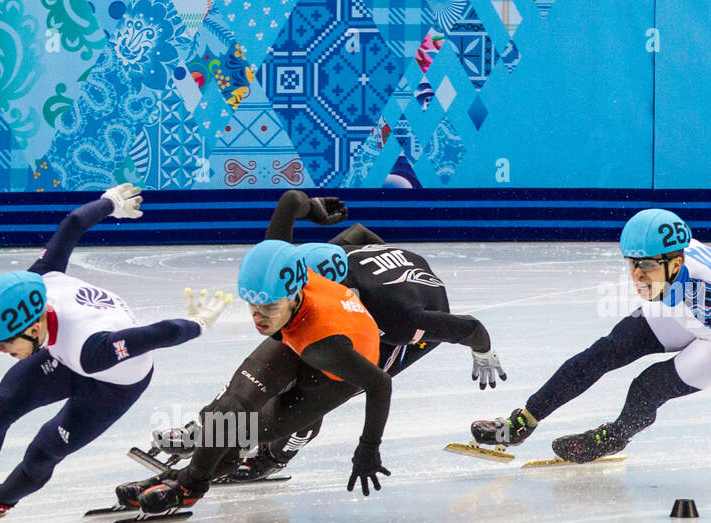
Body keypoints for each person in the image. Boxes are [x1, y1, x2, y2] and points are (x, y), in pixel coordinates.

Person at [0, 185, 229, 523]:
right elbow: (72, 224)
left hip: (112, 381)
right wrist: (110, 203)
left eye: (4, 343)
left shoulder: (92, 349)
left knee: (45, 448)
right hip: (65, 353)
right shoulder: (40, 279)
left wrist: (197, 324)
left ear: (33, 325)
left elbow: (159, 333)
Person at [151, 189, 506, 481]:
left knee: (333, 381)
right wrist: (316, 211)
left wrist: (483, 352)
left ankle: (280, 451)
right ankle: (214, 425)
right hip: (373, 276)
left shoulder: (397, 319)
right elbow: (356, 232)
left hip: (400, 327)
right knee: (290, 346)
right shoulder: (320, 261)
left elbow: (467, 327)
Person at [470, 208, 711, 462]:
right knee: (606, 351)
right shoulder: (666, 262)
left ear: (676, 262)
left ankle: (615, 436)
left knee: (648, 386)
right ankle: (523, 422)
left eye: (646, 267)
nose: (637, 276)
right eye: (632, 265)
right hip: (682, 301)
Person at [123, 238, 395, 515]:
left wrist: (368, 448)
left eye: (269, 308)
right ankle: (182, 477)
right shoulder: (287, 279)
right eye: (252, 305)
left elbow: (380, 383)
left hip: (333, 372)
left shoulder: (321, 344)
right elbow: (279, 235)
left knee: (243, 434)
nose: (259, 317)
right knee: (228, 410)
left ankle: (188, 487)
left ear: (293, 296)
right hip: (298, 333)